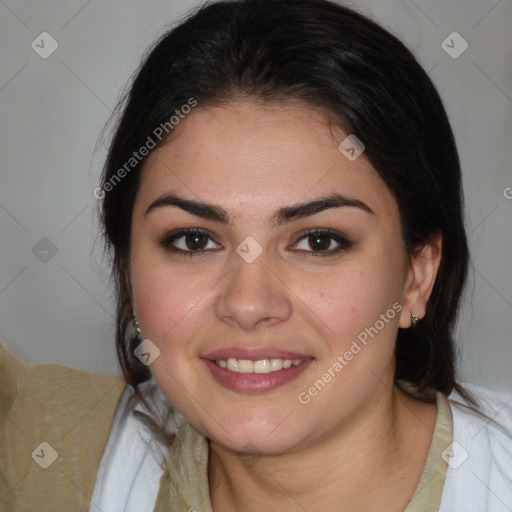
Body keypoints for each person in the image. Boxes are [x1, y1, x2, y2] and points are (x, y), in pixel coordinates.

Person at [1, 0, 511, 510]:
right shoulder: (43, 452)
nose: (248, 304)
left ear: (417, 276)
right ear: (129, 266)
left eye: (318, 241)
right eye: (194, 240)